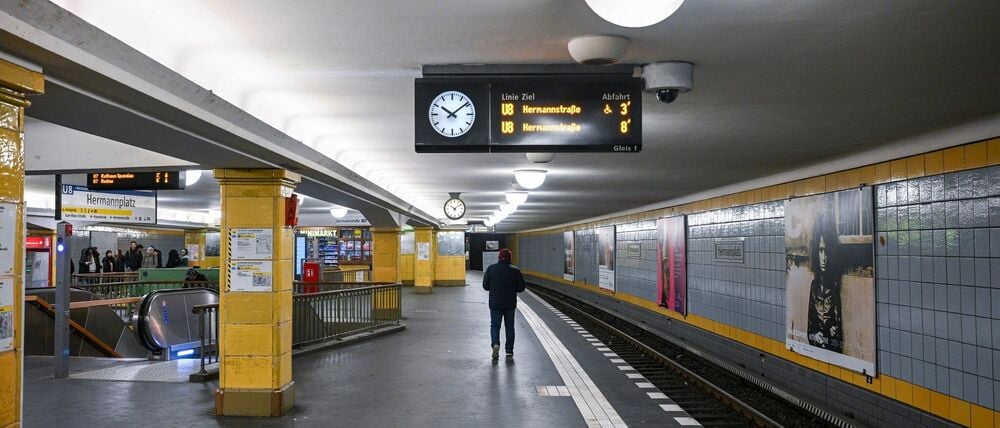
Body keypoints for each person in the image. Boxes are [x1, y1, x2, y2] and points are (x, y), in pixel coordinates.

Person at [807, 212, 844, 353]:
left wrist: (830, 333)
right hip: (816, 346)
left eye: (827, 251)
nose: (824, 257)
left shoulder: (834, 286)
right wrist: (816, 335)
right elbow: (810, 325)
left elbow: (837, 329)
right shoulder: (814, 285)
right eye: (820, 251)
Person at [482, 248, 525, 360]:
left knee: (495, 325)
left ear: (499, 257)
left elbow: (485, 286)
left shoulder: (491, 269)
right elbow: (521, 288)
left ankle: (495, 344)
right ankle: (509, 350)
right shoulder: (515, 271)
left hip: (495, 303)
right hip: (510, 304)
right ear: (510, 258)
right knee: (510, 326)